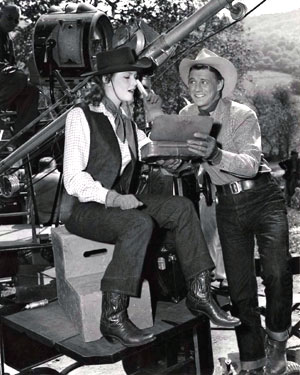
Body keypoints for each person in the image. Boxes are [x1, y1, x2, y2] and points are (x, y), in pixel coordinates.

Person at [63, 46, 240, 348]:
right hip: (85, 209)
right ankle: (113, 316)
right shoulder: (81, 117)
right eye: (128, 76)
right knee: (138, 223)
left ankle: (199, 294)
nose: (136, 83)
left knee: (182, 208)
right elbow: (72, 178)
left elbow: (152, 149)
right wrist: (113, 198)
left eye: (136, 77)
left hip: (118, 205)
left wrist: (172, 160)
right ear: (107, 80)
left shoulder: (127, 122)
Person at [178, 48, 292, 374]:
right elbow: (178, 159)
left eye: (204, 81)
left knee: (277, 274)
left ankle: (278, 345)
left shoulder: (242, 115)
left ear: (219, 85)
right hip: (228, 205)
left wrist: (216, 154)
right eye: (192, 81)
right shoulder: (187, 115)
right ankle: (253, 363)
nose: (198, 87)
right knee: (240, 289)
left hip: (264, 198)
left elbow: (250, 164)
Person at [0, 4, 39, 144]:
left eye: (17, 20)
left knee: (31, 91)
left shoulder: (7, 40)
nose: (13, 23)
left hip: (4, 81)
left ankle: (24, 133)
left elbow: (11, 65)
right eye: (10, 18)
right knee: (19, 78)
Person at [31, 156, 60, 225]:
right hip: (60, 217)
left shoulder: (35, 178)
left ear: (39, 167)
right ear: (55, 166)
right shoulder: (63, 177)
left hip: (41, 218)